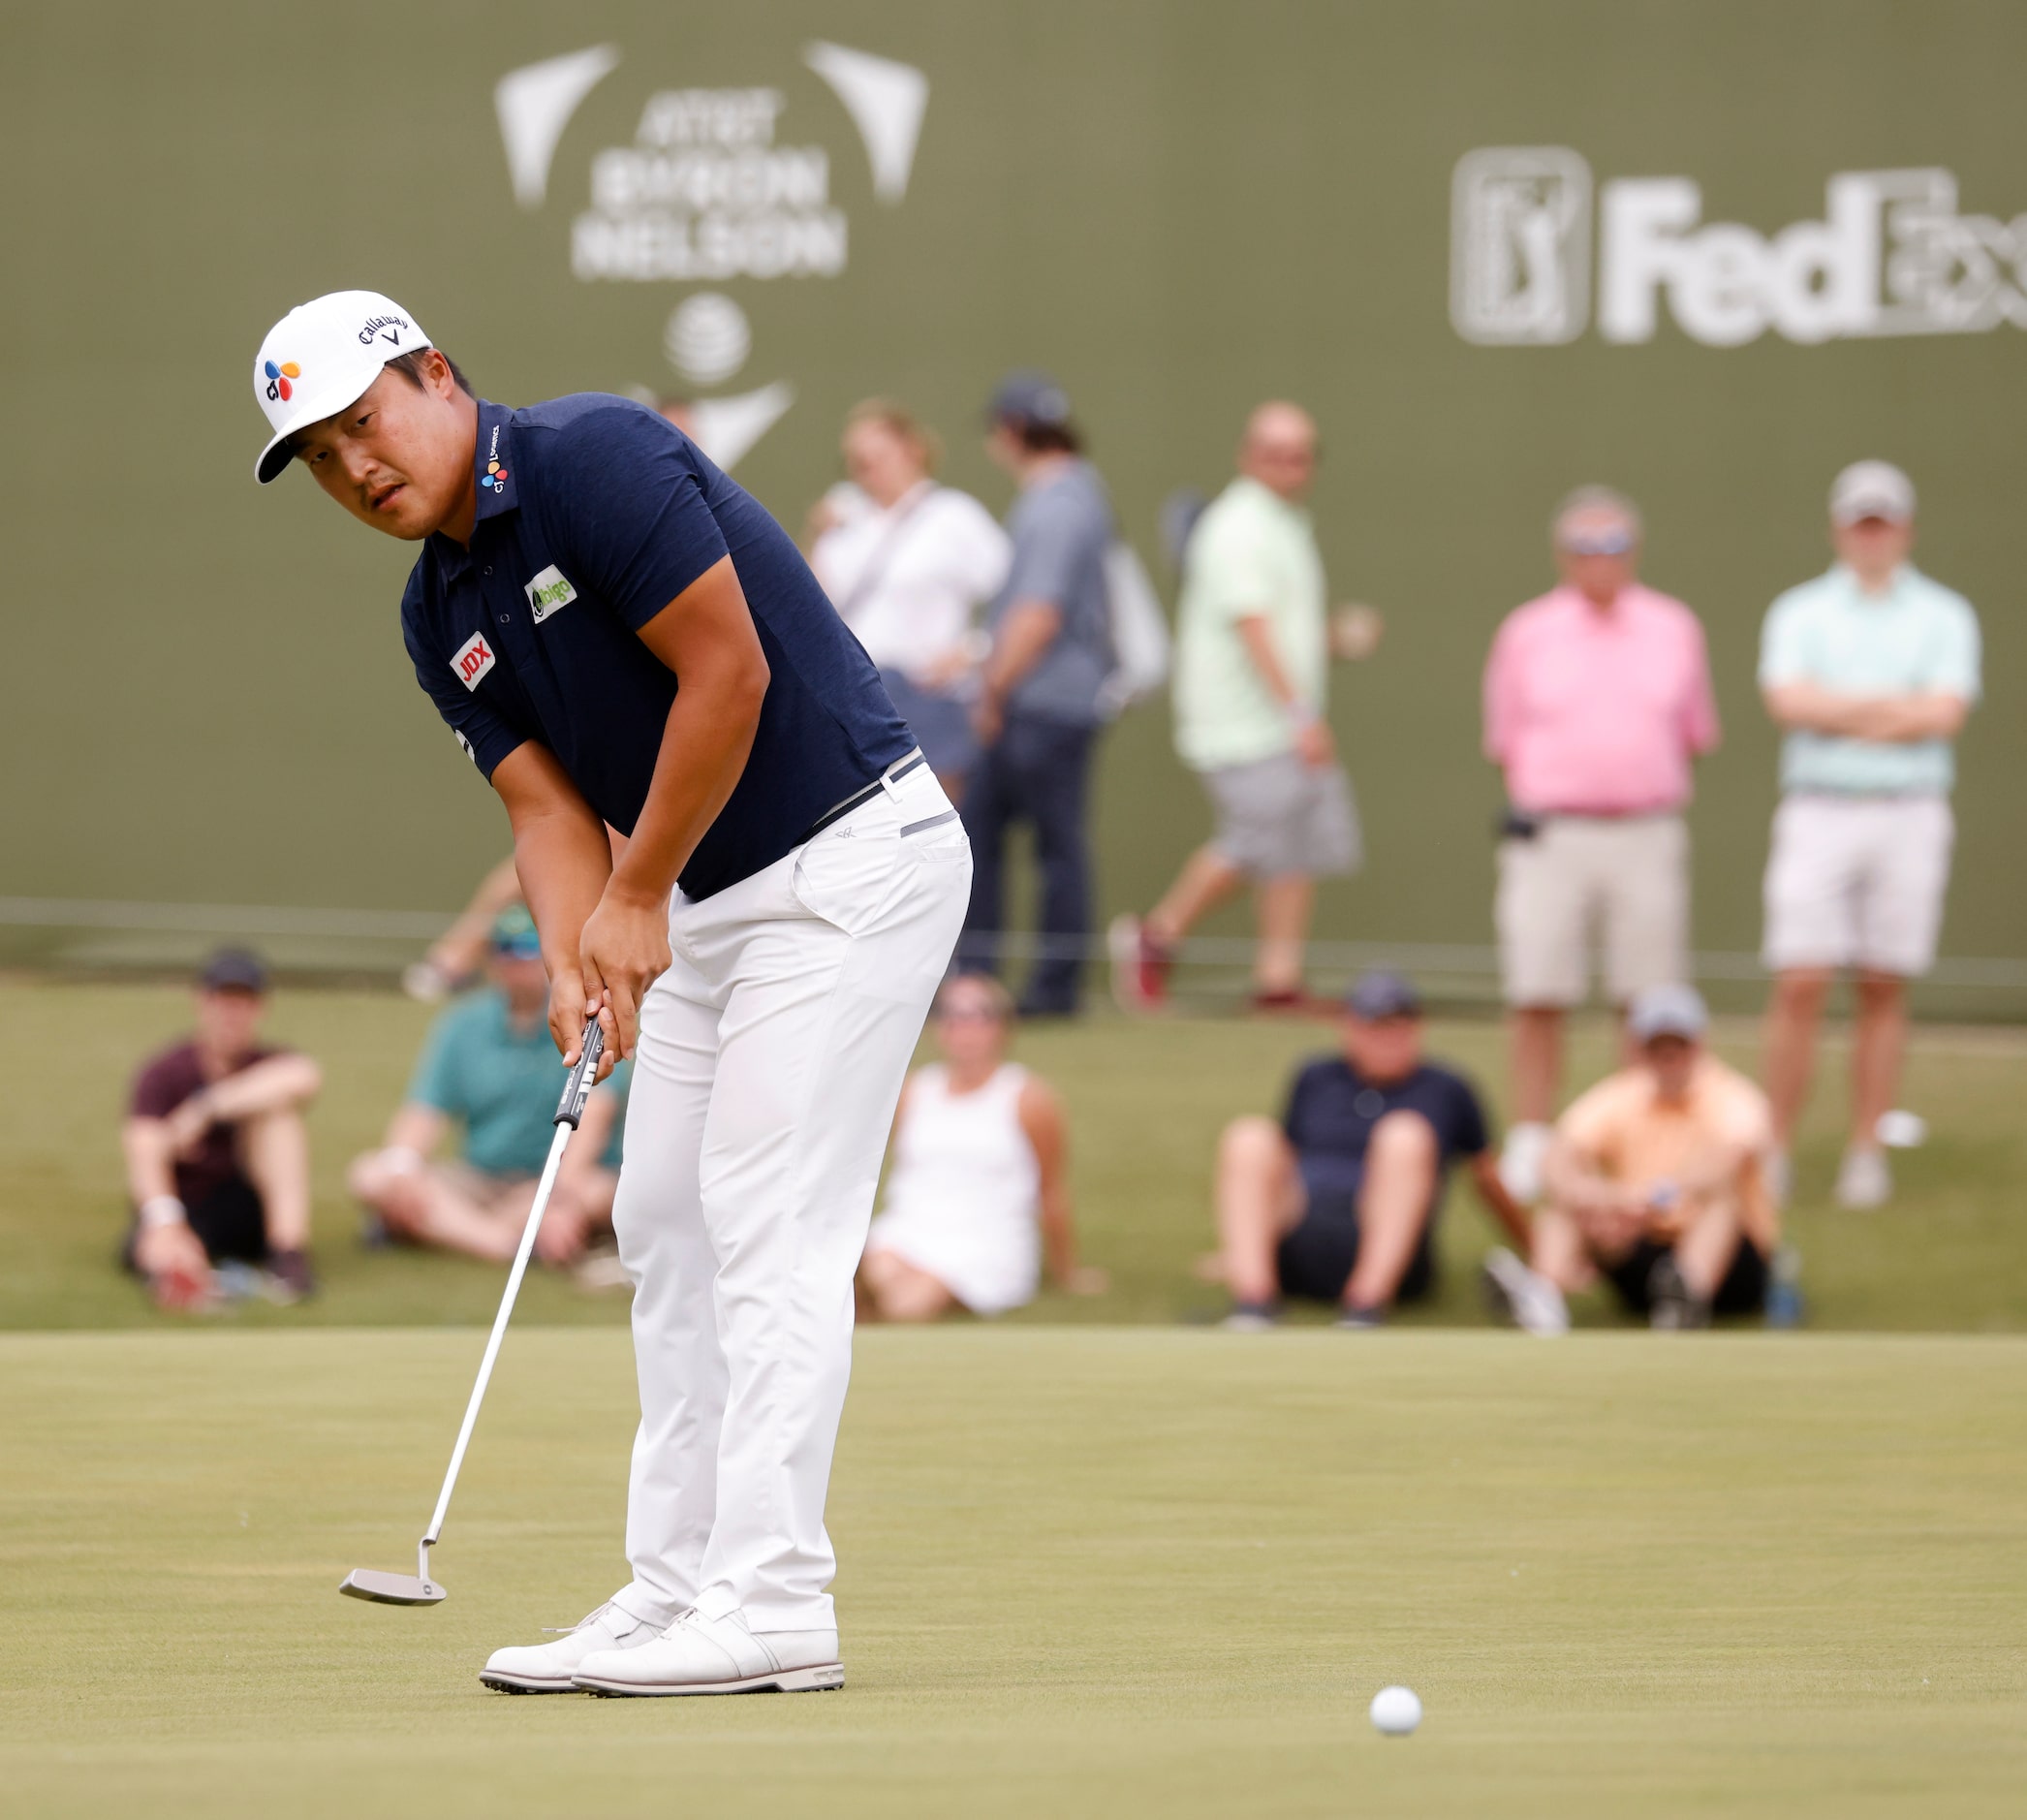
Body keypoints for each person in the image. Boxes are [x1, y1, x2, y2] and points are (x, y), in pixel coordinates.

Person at [252, 290, 969, 1697]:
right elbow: (541, 808)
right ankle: (673, 1586)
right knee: (661, 1218)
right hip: (706, 902)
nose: (357, 470)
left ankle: (774, 1599)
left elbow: (729, 672)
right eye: (324, 461)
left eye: (361, 426)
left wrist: (636, 901)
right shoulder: (435, 610)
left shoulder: (593, 457)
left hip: (847, 860)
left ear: (437, 376)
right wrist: (583, 953)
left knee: (766, 1217)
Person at [1481, 486, 1719, 1203]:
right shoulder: (1526, 632)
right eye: (1586, 548)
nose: (1600, 561)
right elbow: (1504, 739)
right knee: (1537, 990)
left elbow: (1694, 734)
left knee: (1646, 1002)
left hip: (1644, 832)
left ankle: (1632, 1137)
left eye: (1613, 546)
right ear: (1564, 555)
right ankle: (1531, 1137)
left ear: (1633, 552)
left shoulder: (1674, 627)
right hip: (1553, 833)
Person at [1757, 461, 1980, 1209]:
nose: (1872, 536)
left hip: (1908, 811)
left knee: (1884, 982)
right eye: (1861, 523)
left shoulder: (1945, 615)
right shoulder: (1800, 610)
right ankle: (1775, 1147)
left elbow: (1944, 714)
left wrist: (1841, 712)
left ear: (1905, 530)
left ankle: (1865, 1147)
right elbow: (1790, 701)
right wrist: (1894, 713)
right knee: (1800, 981)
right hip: (1819, 808)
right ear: (1839, 529)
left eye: (1883, 523)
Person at [1111, 401, 1380, 1013]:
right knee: (1257, 841)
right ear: (1247, 457)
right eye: (1274, 455)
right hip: (1241, 725)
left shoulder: (1284, 524)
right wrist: (1302, 715)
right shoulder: (1238, 526)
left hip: (1277, 720)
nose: (1289, 468)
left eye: (1300, 457)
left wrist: (1328, 642)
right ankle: (1156, 937)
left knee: (1298, 845)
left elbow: (1277, 626)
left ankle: (1278, 981)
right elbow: (1252, 624)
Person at [1211, 971, 1528, 1329]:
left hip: (1391, 1249)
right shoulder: (1315, 1076)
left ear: (1416, 1028)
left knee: (1403, 1136)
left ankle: (1364, 1307)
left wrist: (1534, 1251)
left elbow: (1486, 1177)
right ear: (1349, 1027)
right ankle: (1253, 1302)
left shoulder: (1447, 1087)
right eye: (1375, 1026)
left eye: (1397, 1025)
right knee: (1250, 1137)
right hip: (1303, 1236)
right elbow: (1279, 1166)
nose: (1387, 1038)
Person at [959, 371, 1116, 1017]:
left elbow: (1038, 614)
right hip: (1055, 699)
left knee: (1050, 850)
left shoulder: (1056, 503)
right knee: (1020, 843)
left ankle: (1044, 989)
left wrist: (992, 688)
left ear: (1014, 431)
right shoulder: (1078, 495)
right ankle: (981, 983)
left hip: (1042, 702)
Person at [1484, 985, 1778, 1332]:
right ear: (1640, 1050)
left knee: (1722, 1199)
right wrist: (1590, 1194)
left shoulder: (1732, 1095)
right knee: (1570, 1199)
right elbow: (1558, 1154)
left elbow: (1725, 1161)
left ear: (1698, 1045)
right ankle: (1542, 1298)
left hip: (1734, 1266)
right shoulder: (1624, 1093)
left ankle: (1687, 1298)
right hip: (1641, 1248)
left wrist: (1649, 1196)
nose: (1668, 1057)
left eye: (1678, 1046)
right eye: (1658, 1047)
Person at [350, 908, 629, 1268]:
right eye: (507, 951)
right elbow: (424, 1111)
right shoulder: (465, 1023)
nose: (518, 963)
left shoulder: (588, 1020)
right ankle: (506, 1244)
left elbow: (593, 1120)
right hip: (481, 1179)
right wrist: (402, 1168)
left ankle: (445, 1227)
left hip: (560, 1180)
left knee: (603, 1194)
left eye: (530, 950)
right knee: (373, 1174)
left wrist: (557, 1196)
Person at [858, 973, 1104, 1321]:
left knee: (916, 1296)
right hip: (907, 1230)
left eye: (980, 1015)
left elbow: (1050, 1190)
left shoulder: (1029, 1098)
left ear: (1003, 1026)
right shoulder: (914, 1091)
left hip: (987, 1242)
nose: (966, 1028)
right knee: (874, 1271)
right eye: (953, 1015)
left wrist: (1067, 1272)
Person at [808, 400, 1011, 801]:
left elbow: (1014, 592)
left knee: (941, 820)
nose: (867, 468)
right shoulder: (846, 524)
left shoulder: (954, 516)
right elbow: (814, 606)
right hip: (860, 695)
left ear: (912, 450)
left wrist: (973, 650)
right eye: (856, 460)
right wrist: (817, 534)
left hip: (928, 694)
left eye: (877, 456)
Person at [122, 949, 323, 1309]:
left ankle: (289, 1255)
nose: (232, 1013)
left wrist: (205, 1108)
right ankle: (176, 1266)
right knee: (157, 1234)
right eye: (224, 1000)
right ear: (202, 1002)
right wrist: (166, 1220)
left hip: (248, 1207)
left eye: (244, 1002)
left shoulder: (268, 1064)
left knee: (280, 1119)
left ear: (260, 1007)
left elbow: (305, 1075)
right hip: (189, 1204)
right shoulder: (165, 1071)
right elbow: (144, 1148)